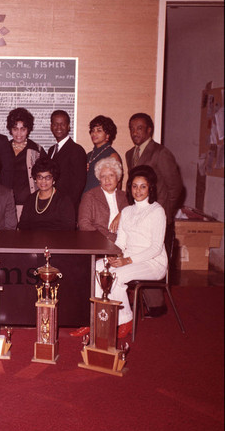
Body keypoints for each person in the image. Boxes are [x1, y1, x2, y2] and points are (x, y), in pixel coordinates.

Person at [72, 165, 168, 339]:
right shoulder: (127, 211)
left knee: (116, 277)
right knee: (95, 269)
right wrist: (113, 256)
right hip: (129, 258)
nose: (138, 190)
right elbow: (121, 242)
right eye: (134, 186)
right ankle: (93, 319)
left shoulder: (157, 211)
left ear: (150, 188)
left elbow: (155, 248)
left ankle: (124, 320)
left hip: (152, 262)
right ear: (129, 188)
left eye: (143, 186)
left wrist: (127, 261)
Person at [126, 112, 183, 316]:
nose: (135, 132)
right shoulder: (130, 153)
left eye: (140, 128)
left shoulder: (161, 153)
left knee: (153, 256)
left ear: (149, 130)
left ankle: (157, 305)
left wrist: (164, 214)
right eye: (132, 128)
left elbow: (175, 187)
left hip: (157, 217)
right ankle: (145, 301)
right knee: (139, 253)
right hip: (139, 216)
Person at [6, 107, 46, 219]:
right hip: (6, 206)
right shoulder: (3, 148)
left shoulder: (36, 150)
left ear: (28, 130)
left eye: (23, 129)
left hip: (30, 205)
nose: (19, 134)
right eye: (15, 129)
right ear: (10, 129)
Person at [47, 110, 87, 218]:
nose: (58, 127)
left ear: (68, 126)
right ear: (51, 126)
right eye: (55, 124)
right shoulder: (52, 150)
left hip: (66, 208)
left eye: (62, 124)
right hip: (51, 205)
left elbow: (78, 185)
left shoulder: (76, 150)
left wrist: (66, 207)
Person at [78, 157, 128, 242]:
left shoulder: (126, 197)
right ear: (99, 179)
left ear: (118, 177)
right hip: (98, 243)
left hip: (126, 242)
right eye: (103, 176)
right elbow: (84, 224)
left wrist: (122, 213)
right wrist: (109, 237)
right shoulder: (89, 196)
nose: (107, 180)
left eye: (111, 175)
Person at [18, 157, 75, 231]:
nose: (43, 181)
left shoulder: (63, 200)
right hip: (32, 240)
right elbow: (23, 226)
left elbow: (69, 228)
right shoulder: (30, 199)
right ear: (35, 179)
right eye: (40, 177)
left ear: (53, 179)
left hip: (57, 240)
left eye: (47, 177)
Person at [84, 115, 122, 193]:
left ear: (107, 135)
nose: (94, 133)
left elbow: (117, 185)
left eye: (99, 130)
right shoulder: (88, 155)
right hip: (86, 197)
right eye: (92, 130)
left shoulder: (112, 156)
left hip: (102, 199)